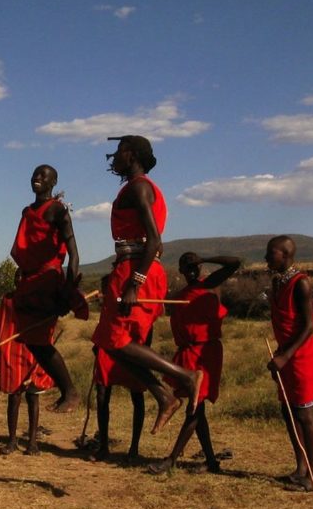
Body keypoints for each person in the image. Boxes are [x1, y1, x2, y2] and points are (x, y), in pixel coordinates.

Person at [91, 135, 202, 435]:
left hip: (137, 270)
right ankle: (164, 395)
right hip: (132, 268)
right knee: (108, 341)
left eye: (118, 152)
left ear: (131, 154)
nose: (113, 157)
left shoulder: (140, 187)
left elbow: (154, 240)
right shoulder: (137, 187)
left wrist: (134, 284)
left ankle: (185, 377)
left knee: (115, 340)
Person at [148, 253, 241, 475]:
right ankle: (211, 461)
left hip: (206, 352)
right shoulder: (180, 295)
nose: (190, 271)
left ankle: (171, 460)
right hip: (189, 352)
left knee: (195, 408)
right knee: (197, 408)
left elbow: (234, 262)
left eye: (194, 267)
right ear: (180, 271)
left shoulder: (209, 284)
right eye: (186, 267)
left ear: (199, 268)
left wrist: (205, 258)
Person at [9, 164, 83, 413]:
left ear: (54, 182)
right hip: (29, 282)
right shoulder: (27, 211)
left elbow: (73, 255)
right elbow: (26, 247)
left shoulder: (57, 211)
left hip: (48, 280)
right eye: (35, 174)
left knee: (39, 339)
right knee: (31, 340)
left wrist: (67, 291)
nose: (38, 178)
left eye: (44, 176)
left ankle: (70, 391)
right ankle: (64, 389)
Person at [265, 235, 313, 492]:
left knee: (304, 413)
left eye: (271, 253)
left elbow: (309, 325)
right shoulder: (278, 281)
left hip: (302, 356)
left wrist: (285, 356)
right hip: (286, 354)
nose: (266, 257)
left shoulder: (301, 284)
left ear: (286, 255)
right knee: (288, 411)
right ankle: (301, 468)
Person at [0, 293, 55, 456]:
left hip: (34, 348)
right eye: (17, 277)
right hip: (12, 349)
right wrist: (2, 350)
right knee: (14, 396)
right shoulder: (8, 299)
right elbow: (2, 325)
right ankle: (12, 441)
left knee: (33, 396)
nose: (20, 280)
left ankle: (32, 443)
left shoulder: (39, 297)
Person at [89, 345, 147, 465]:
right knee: (102, 395)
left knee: (137, 393)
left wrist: (144, 351)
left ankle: (134, 449)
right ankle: (103, 448)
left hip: (133, 346)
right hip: (108, 347)